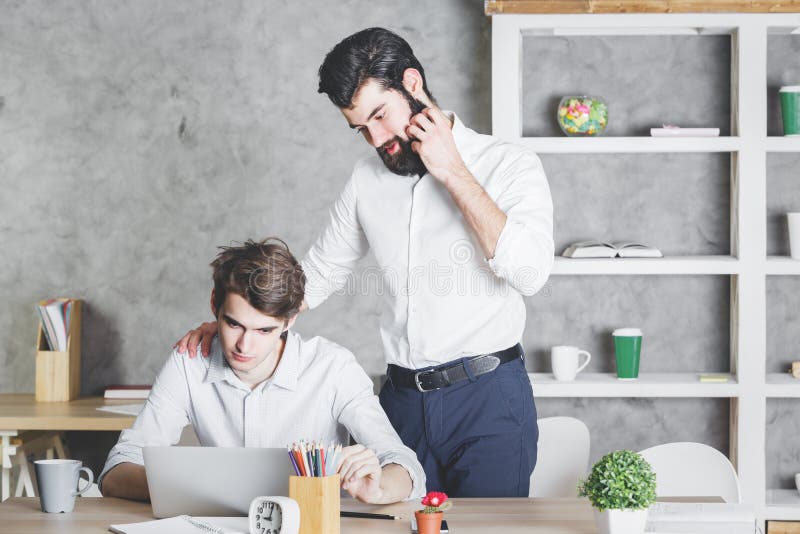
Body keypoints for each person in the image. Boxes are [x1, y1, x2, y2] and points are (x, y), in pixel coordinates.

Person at [177, 28, 553, 497]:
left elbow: (531, 272)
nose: (377, 138)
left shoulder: (509, 165)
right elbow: (319, 273)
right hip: (399, 404)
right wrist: (243, 321)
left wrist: (452, 170)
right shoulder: (366, 180)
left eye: (379, 114)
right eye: (360, 127)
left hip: (489, 397)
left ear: (412, 84)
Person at [101, 238, 425, 503]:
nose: (245, 346)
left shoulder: (333, 368)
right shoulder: (189, 361)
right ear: (215, 304)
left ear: (290, 320)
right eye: (233, 324)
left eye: (264, 331)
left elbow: (404, 466)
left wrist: (379, 487)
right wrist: (198, 488)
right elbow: (116, 471)